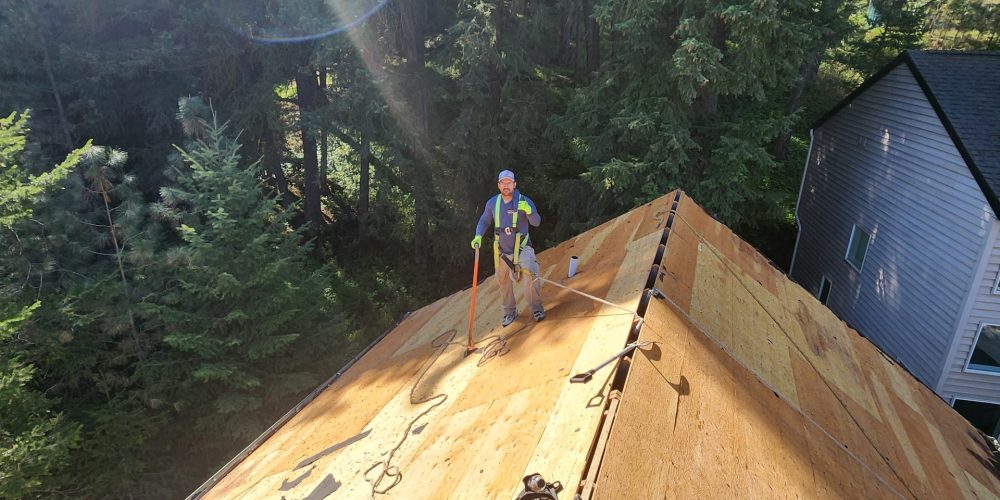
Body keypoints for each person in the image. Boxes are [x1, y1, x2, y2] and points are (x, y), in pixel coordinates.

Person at [471, 170, 545, 327]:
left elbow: (537, 222)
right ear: (499, 185)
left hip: (522, 248)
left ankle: (536, 308)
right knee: (503, 282)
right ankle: (509, 312)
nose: (506, 185)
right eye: (503, 182)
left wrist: (529, 211)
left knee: (531, 275)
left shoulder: (524, 201)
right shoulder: (492, 203)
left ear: (514, 184)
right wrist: (478, 235)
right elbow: (484, 220)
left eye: (509, 182)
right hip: (502, 252)